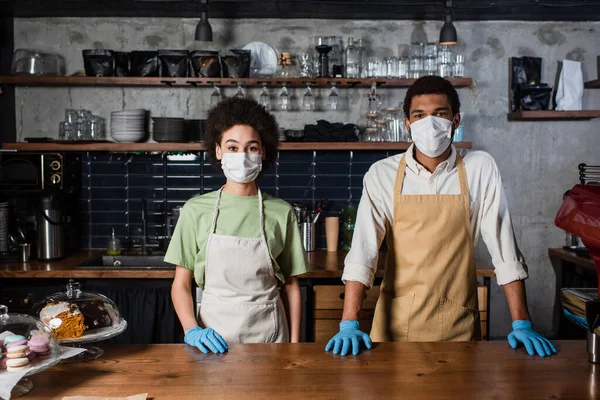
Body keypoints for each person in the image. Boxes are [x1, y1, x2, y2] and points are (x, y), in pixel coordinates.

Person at [325, 76, 557, 357]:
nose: (429, 123)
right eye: (419, 115)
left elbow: (504, 247)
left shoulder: (479, 167)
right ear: (407, 123)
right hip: (395, 326)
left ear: (455, 120)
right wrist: (349, 322)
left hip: (459, 323)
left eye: (440, 114)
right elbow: (363, 253)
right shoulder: (382, 174)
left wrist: (522, 322)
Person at [166, 98, 308, 354]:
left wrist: (295, 348)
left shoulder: (282, 212)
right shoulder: (195, 210)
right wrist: (191, 329)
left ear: (263, 151)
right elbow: (181, 284)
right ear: (218, 150)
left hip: (270, 337)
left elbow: (292, 286)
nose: (242, 156)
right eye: (232, 147)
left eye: (251, 147)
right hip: (213, 339)